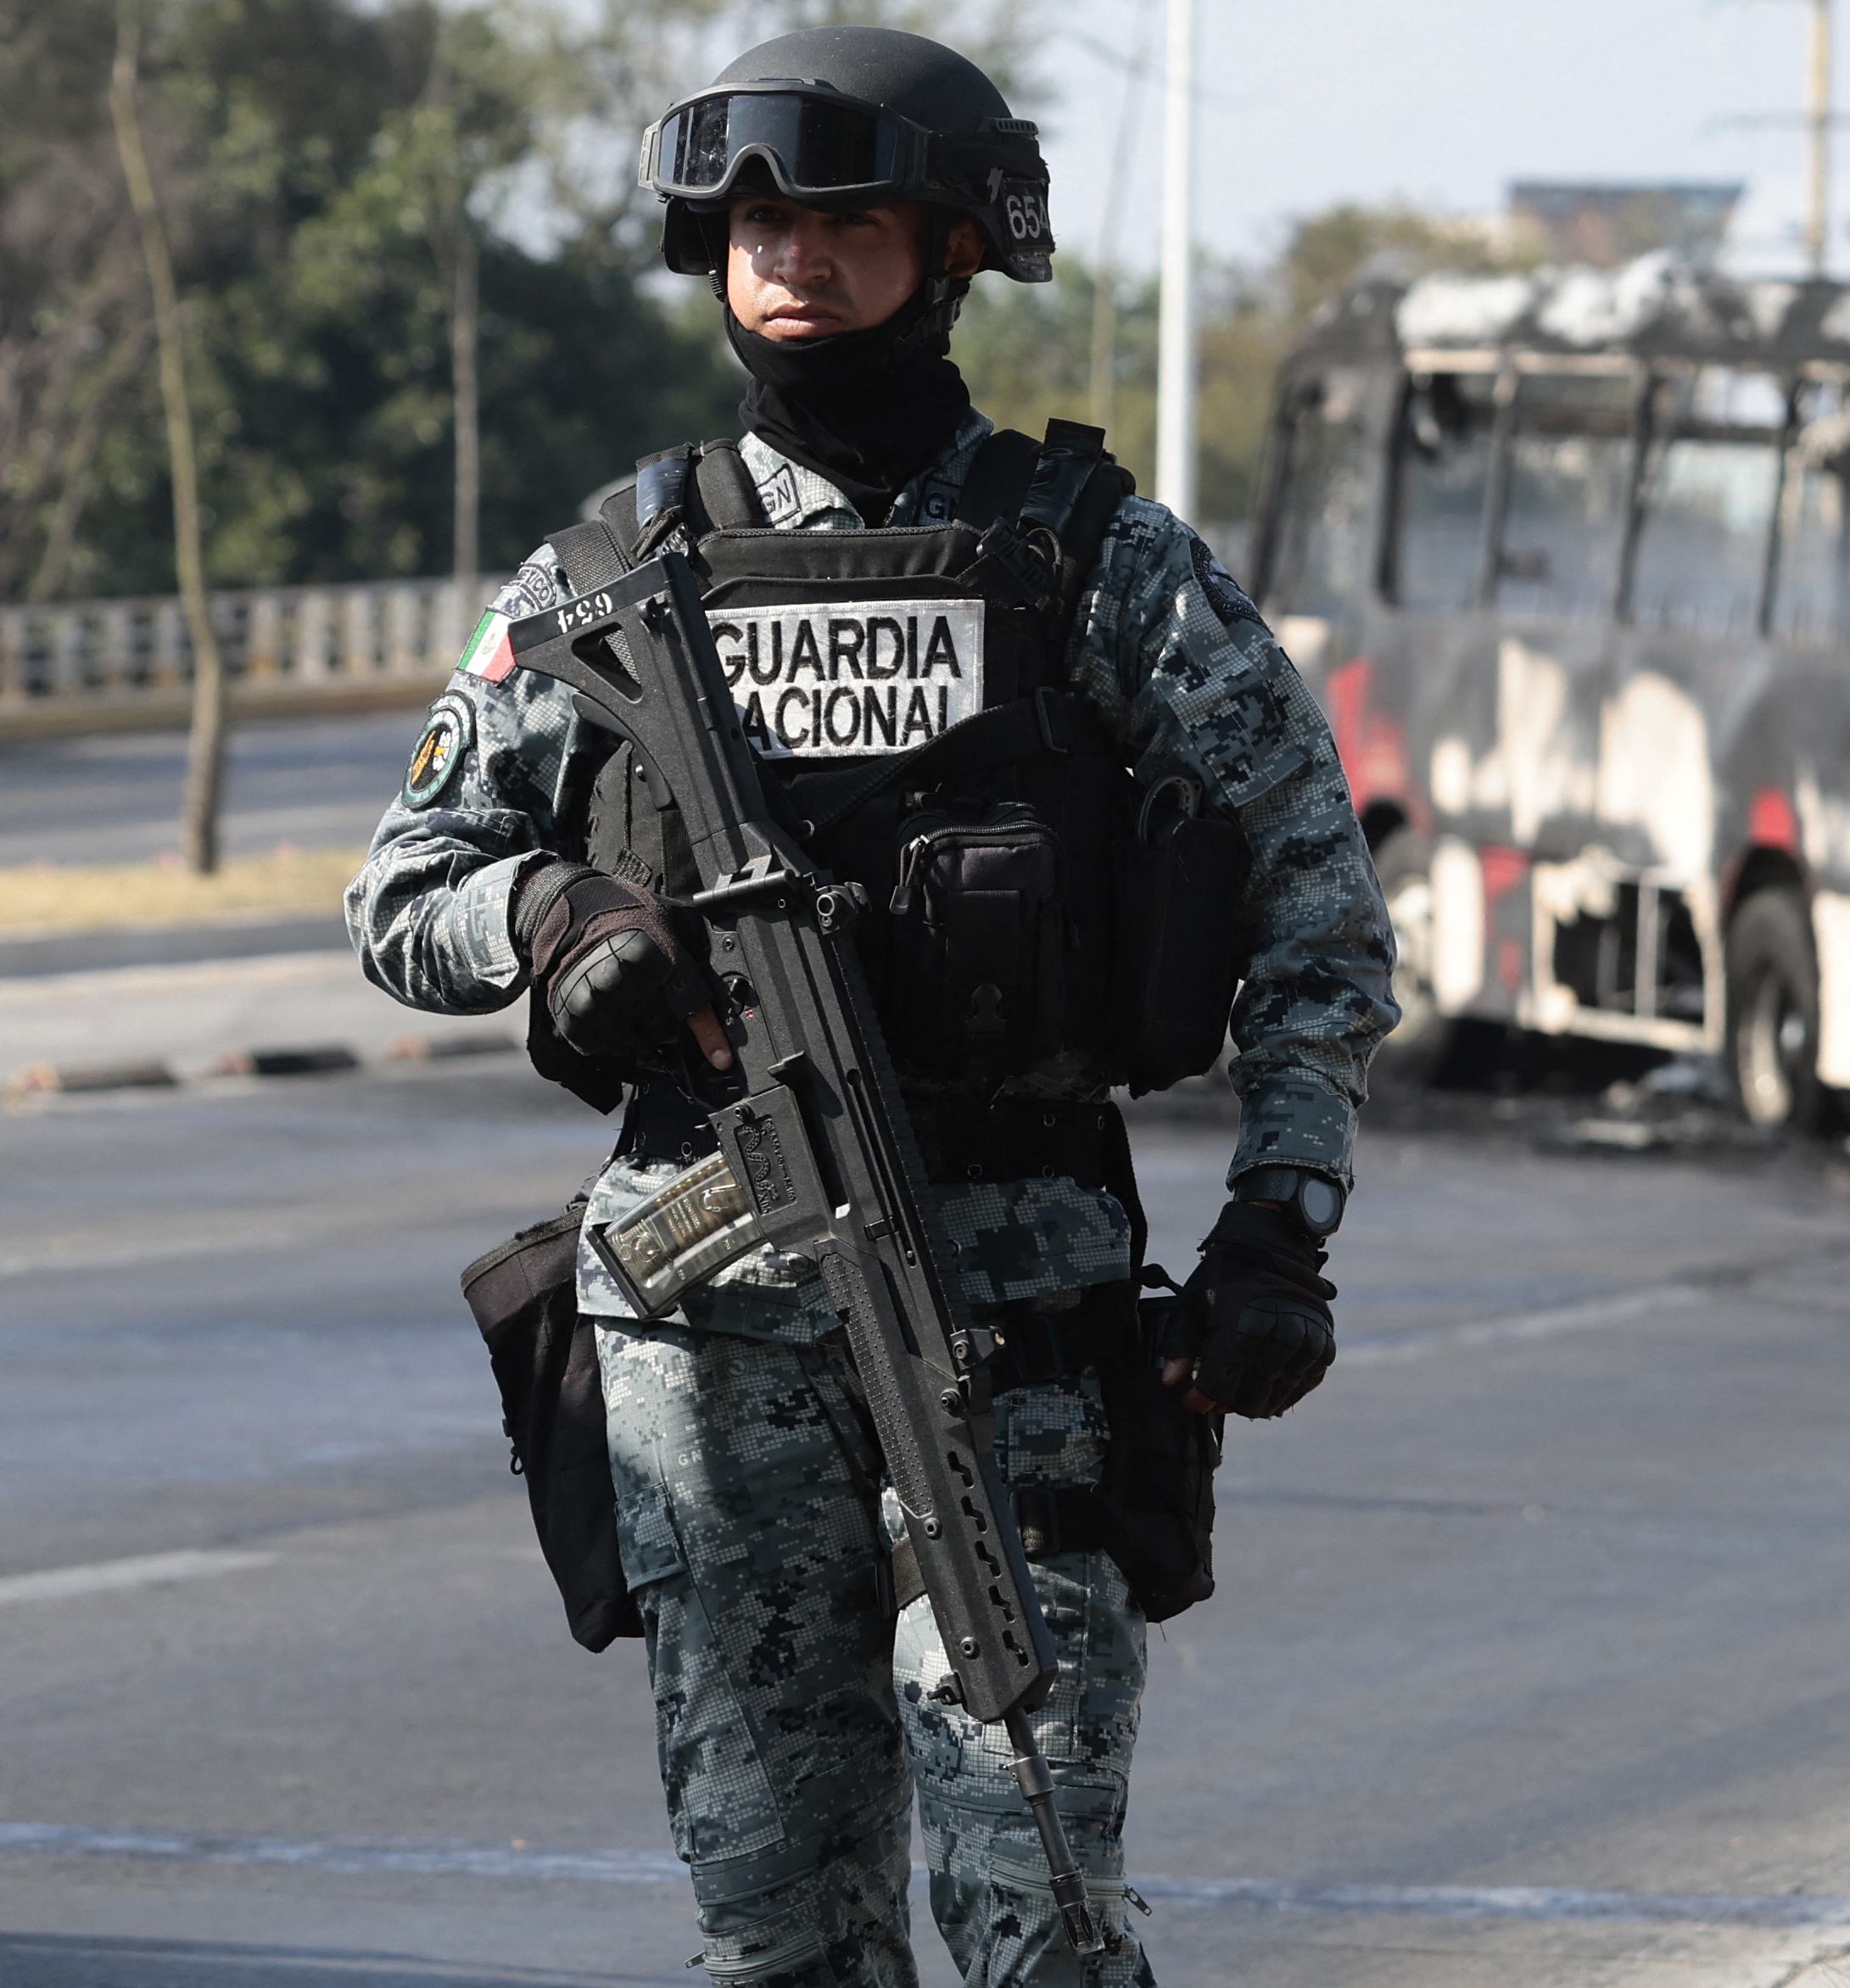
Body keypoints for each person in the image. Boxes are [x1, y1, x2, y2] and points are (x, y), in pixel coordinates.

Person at [347, 25, 1394, 1986]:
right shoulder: (606, 569)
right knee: (779, 1938)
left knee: (1040, 1904)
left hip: (1013, 1330)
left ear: (955, 245)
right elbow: (402, 886)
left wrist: (1284, 1215)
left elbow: (1316, 906)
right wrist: (555, 908)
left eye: (844, 221)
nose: (796, 259)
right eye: (758, 224)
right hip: (707, 1345)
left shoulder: (1092, 563)